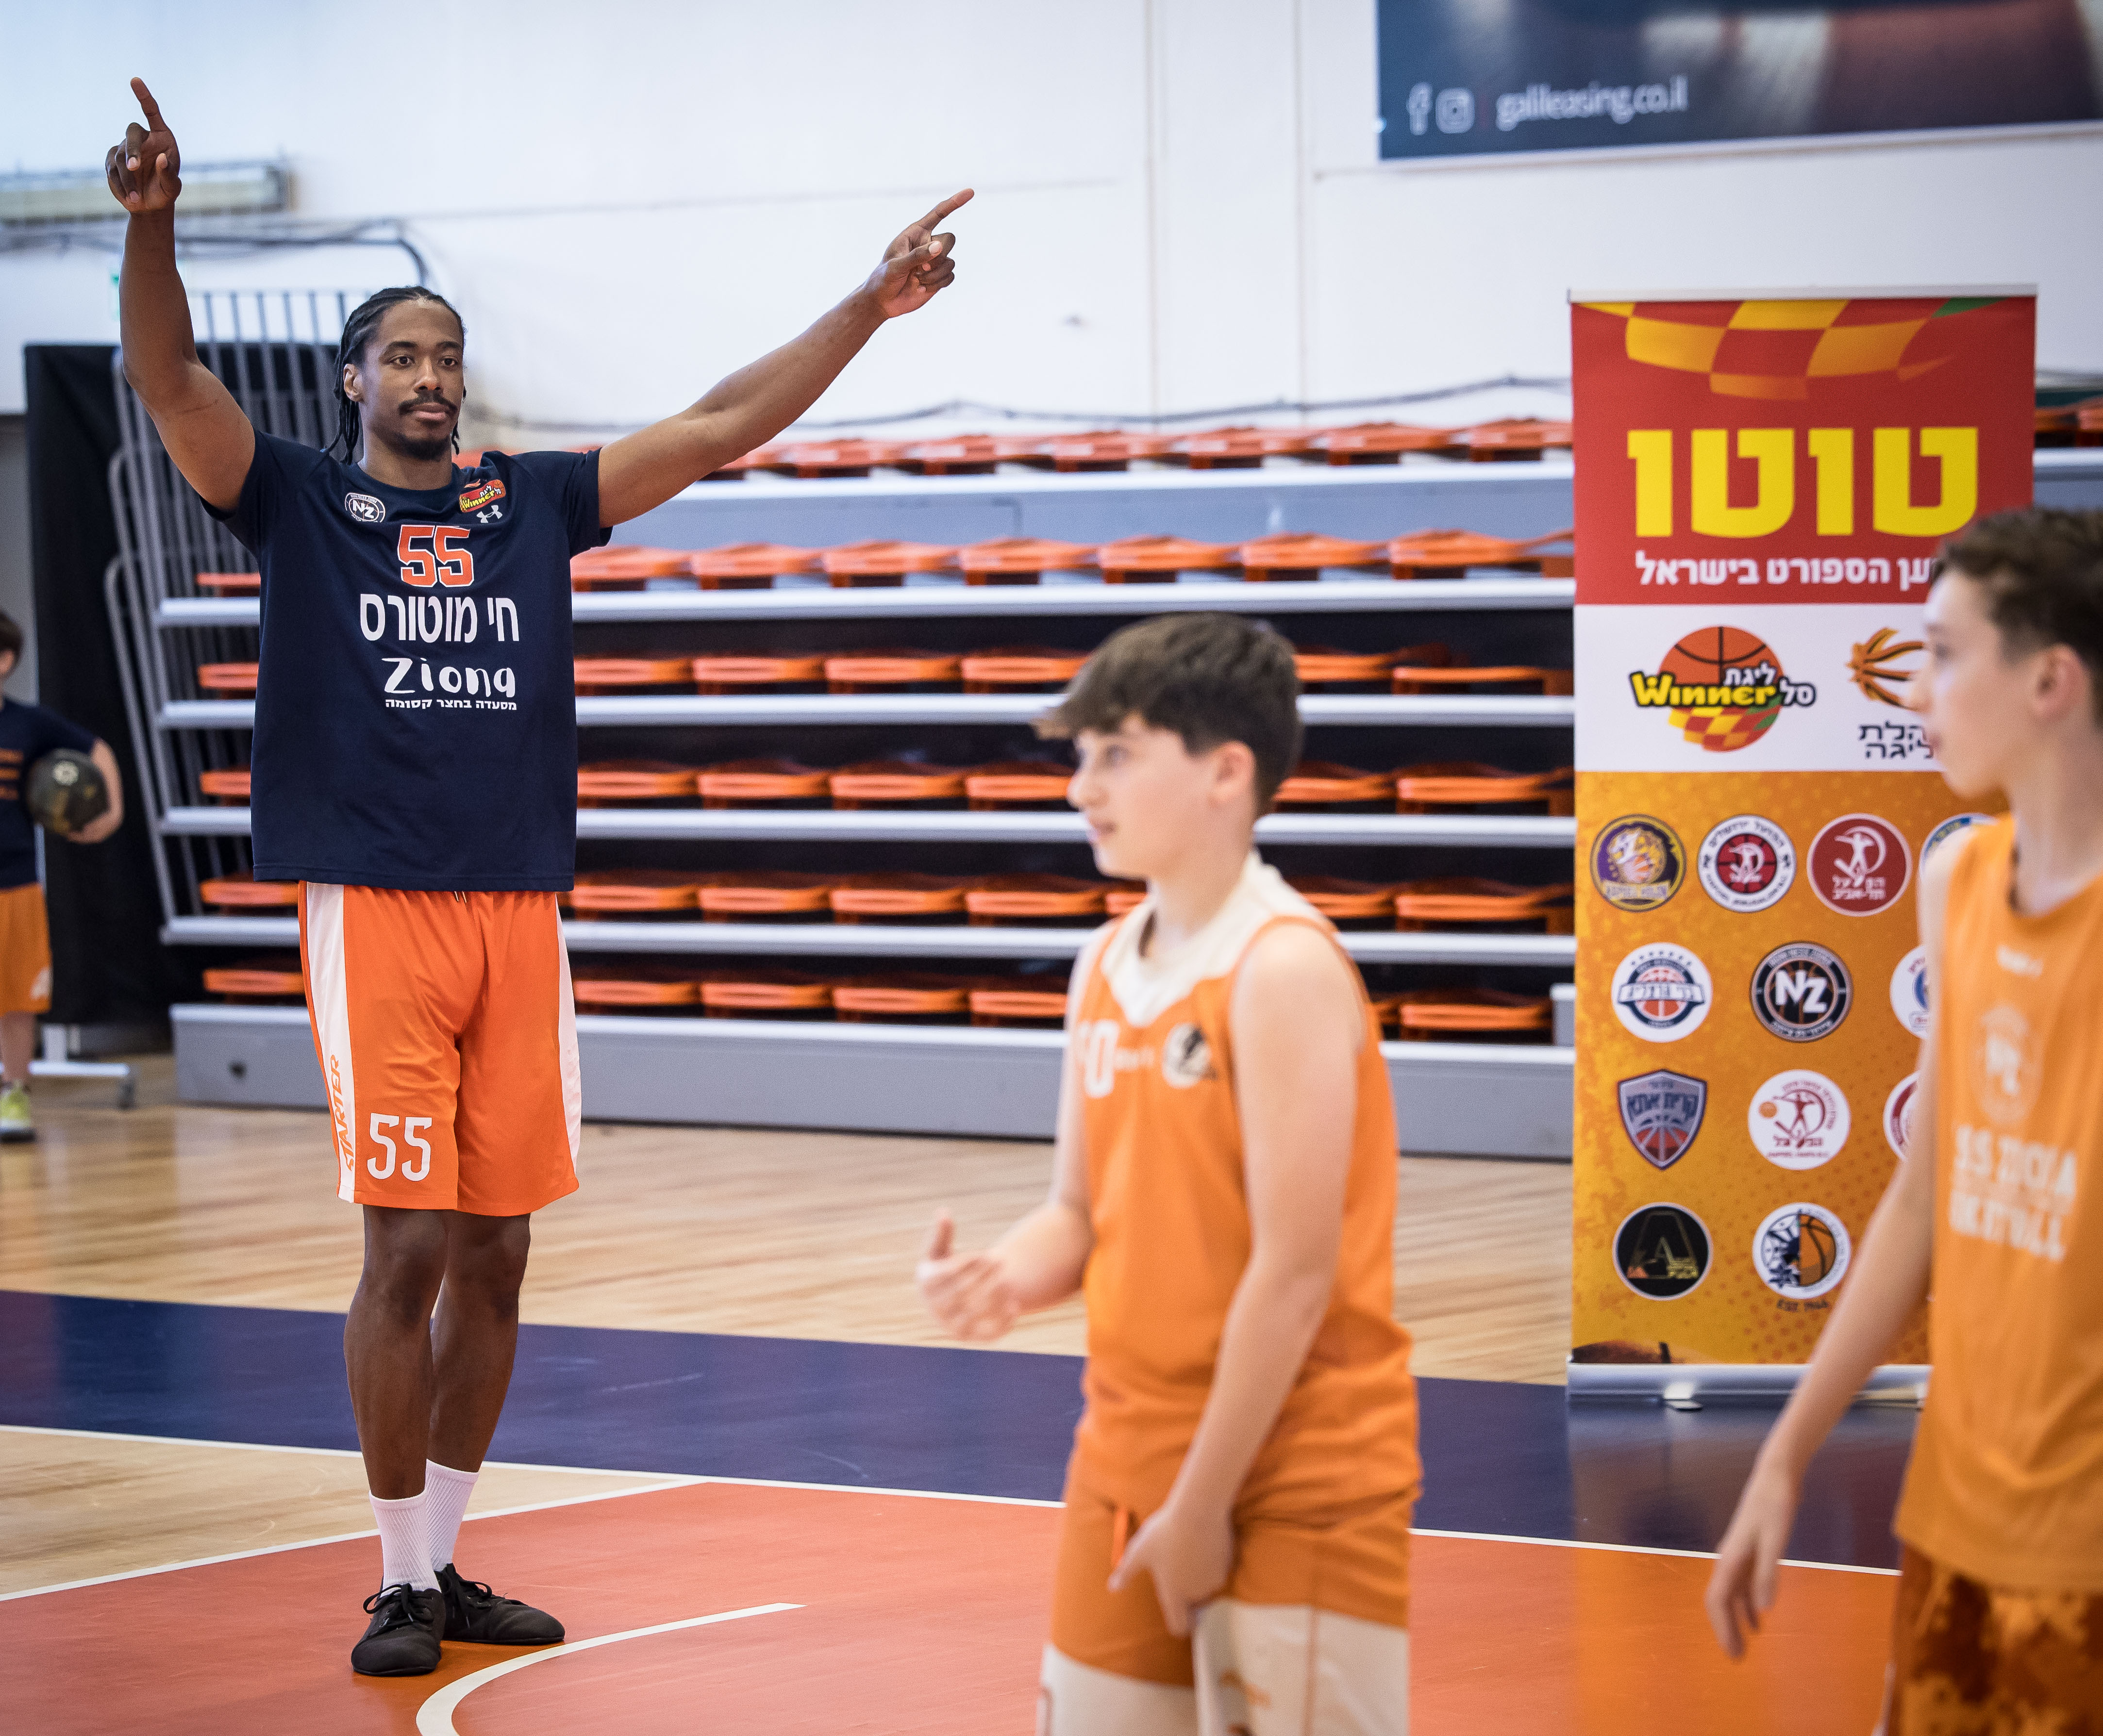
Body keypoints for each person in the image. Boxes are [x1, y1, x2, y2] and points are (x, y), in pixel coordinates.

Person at [105, 75, 970, 1676]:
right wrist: (151, 227)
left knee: (499, 1249)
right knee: (406, 1246)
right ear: (355, 378)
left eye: (447, 355)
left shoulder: (531, 502)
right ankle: (390, 1580)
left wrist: (869, 304)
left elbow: (719, 422)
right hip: (375, 906)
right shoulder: (296, 496)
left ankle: (445, 1564)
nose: (431, 375)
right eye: (402, 355)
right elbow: (165, 374)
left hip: (518, 909)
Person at [917, 614, 1419, 1735]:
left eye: (1115, 753)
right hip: (1123, 1457)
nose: (1080, 788)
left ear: (1225, 773)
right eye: (1079, 756)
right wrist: (1003, 1275)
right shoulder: (1102, 960)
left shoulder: (1281, 966)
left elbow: (1295, 1273)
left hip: (1293, 1478)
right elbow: (1077, 1210)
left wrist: (1200, 1505)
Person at [1706, 508, 2103, 1730]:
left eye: (1939, 652)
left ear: (2049, 680)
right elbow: (1922, 1198)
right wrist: (1783, 1454)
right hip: (1951, 1518)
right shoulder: (1955, 881)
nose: (1911, 687)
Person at [0, 611, 124, 1143]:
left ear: (5, 661)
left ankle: (14, 1095)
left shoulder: (28, 724)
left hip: (15, 883)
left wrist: (111, 811)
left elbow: (98, 750)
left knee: (17, 1001)